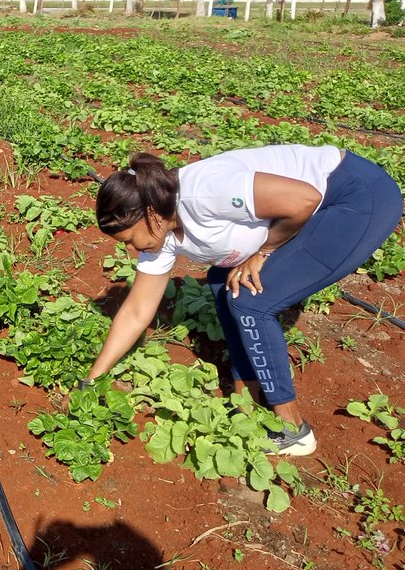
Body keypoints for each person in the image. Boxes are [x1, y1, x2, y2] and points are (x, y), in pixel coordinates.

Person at [86, 145, 402, 456]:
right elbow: (137, 312)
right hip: (315, 205)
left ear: (151, 213)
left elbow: (306, 199)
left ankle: (292, 430)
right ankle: (246, 399)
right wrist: (92, 379)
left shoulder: (204, 192)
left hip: (354, 196)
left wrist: (265, 252)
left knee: (249, 303)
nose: (131, 250)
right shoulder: (159, 234)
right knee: (222, 281)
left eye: (129, 239)